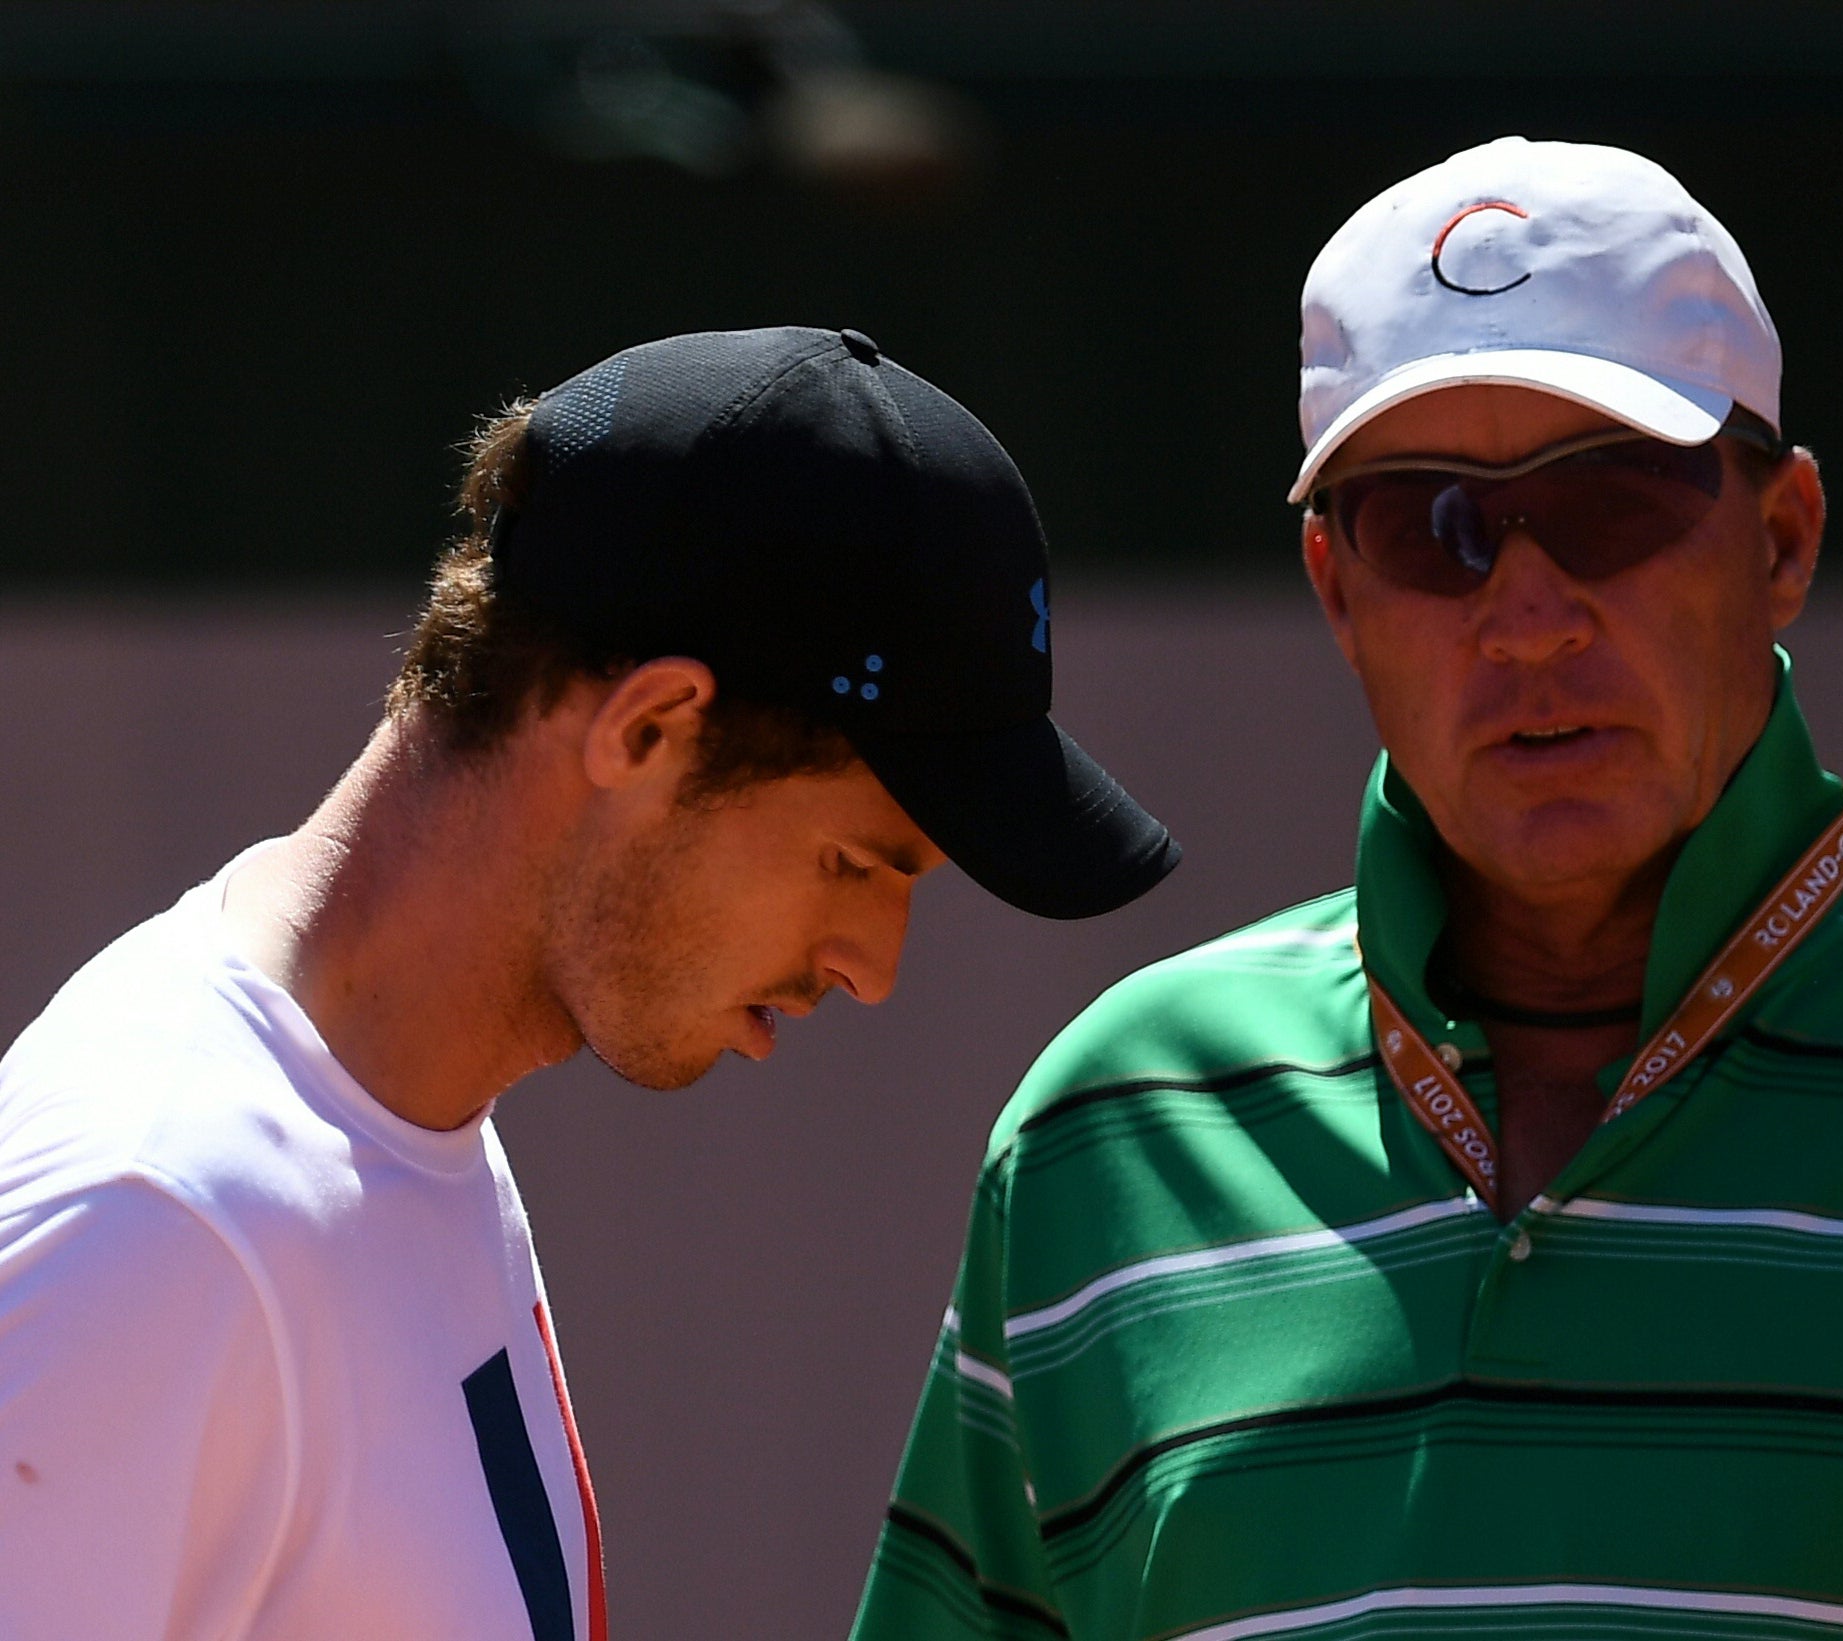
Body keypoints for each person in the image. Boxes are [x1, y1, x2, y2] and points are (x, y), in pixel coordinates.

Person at [851, 137, 1843, 1641]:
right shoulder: (1106, 1131)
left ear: (1782, 538)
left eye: (1612, 500)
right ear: (1333, 591)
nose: (1527, 612)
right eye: (1435, 525)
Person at [0, 326, 1176, 1639]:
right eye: (854, 859)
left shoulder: (388, 1125)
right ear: (648, 728)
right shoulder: (157, 1215)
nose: (873, 963)